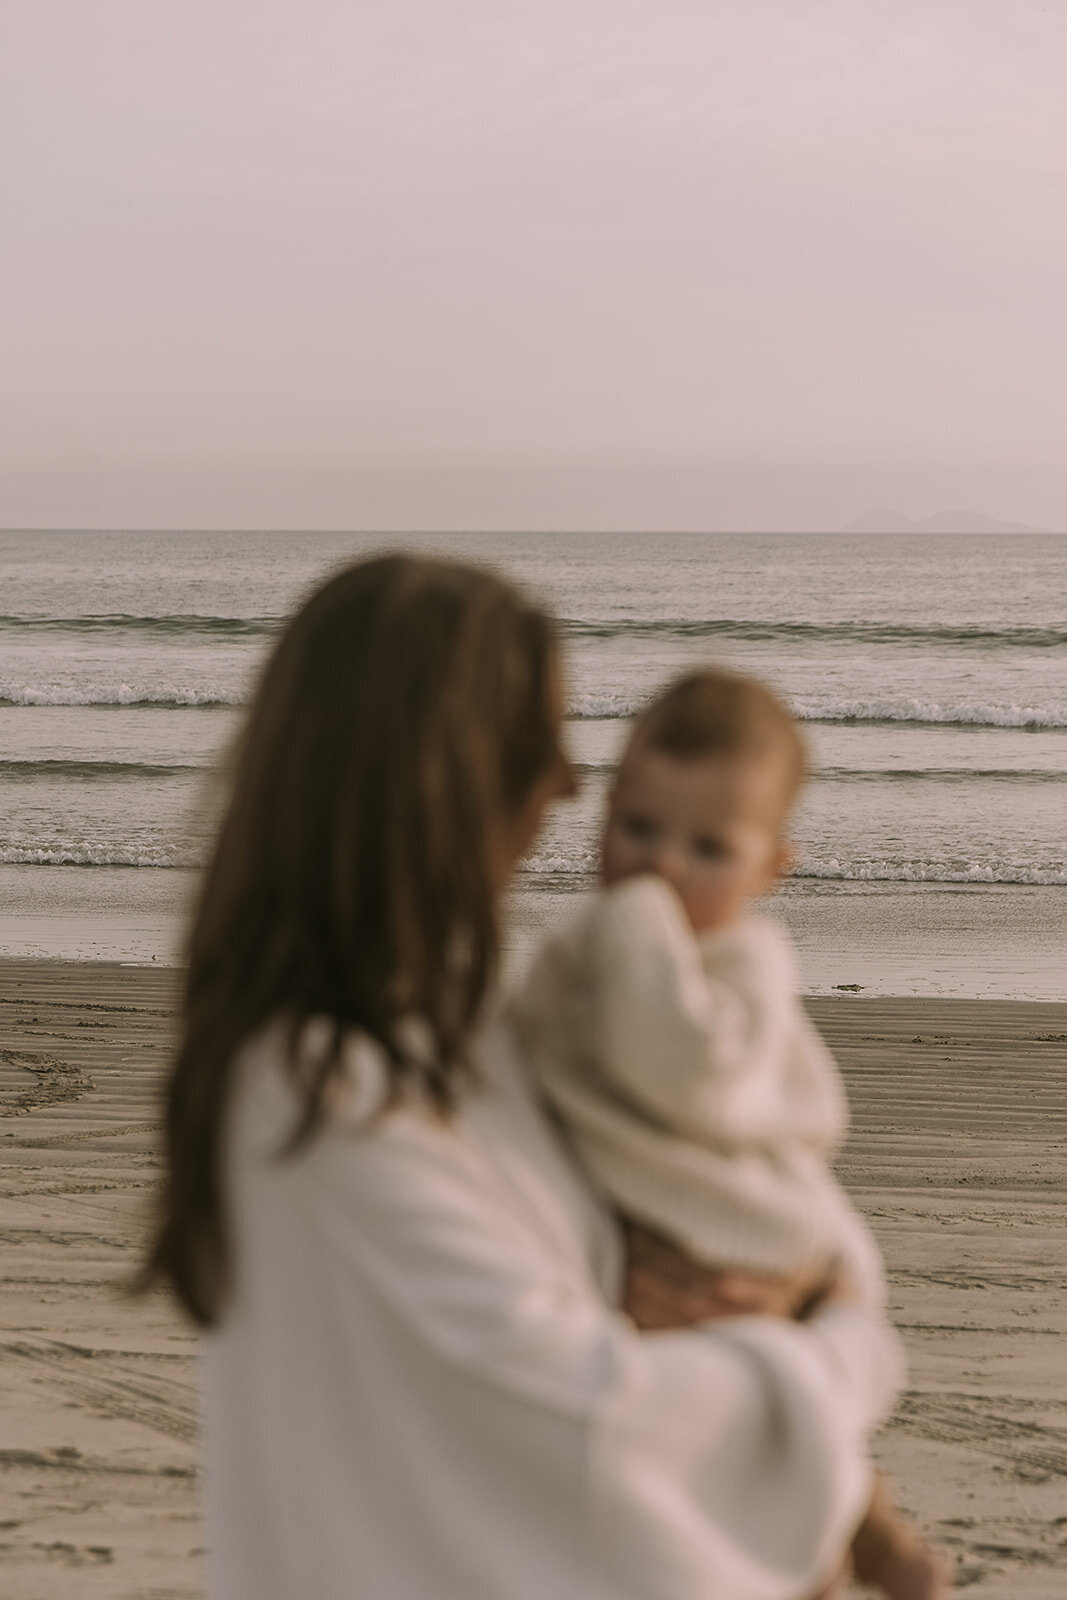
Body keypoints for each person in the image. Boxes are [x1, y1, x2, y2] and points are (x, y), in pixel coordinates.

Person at [142, 556, 904, 1600]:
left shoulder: (474, 1018)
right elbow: (584, 1407)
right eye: (533, 742)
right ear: (441, 776)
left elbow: (759, 1169)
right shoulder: (312, 1088)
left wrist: (831, 1287)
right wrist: (847, 1352)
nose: (566, 781)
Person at [509, 666, 952, 1599]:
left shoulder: (744, 960)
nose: (663, 867)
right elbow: (527, 1056)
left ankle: (855, 1554)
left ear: (767, 869)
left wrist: (638, 927)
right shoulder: (582, 943)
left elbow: (688, 1078)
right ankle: (857, 1549)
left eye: (708, 848)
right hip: (649, 1222)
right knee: (750, 1442)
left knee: (757, 1436)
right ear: (603, 813)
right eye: (637, 830)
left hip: (732, 1231)